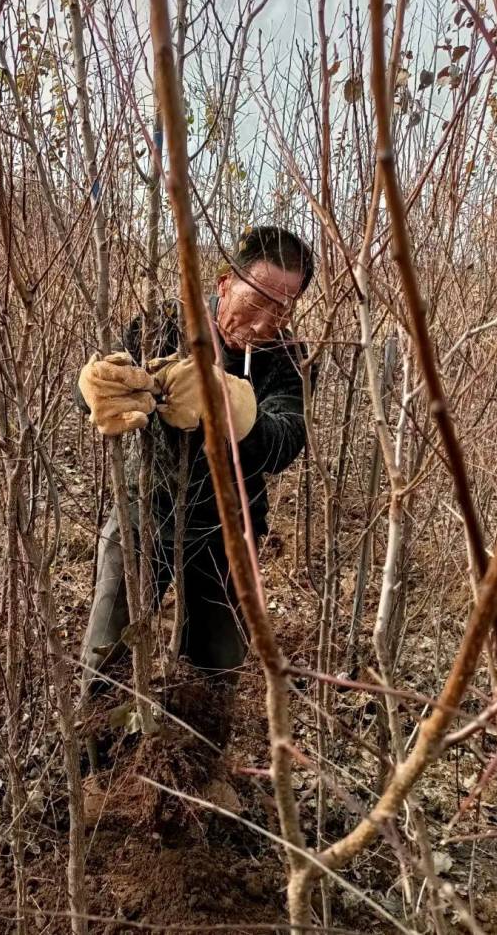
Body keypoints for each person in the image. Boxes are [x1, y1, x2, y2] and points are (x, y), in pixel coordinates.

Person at [77, 226, 314, 699]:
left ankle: (201, 759)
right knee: (106, 656)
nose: (265, 322)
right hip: (147, 512)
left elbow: (285, 441)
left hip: (229, 529)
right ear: (226, 282)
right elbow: (110, 388)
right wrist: (94, 390)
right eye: (257, 300)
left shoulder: (289, 357)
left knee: (218, 667)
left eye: (282, 309)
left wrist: (233, 408)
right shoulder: (165, 323)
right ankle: (95, 757)